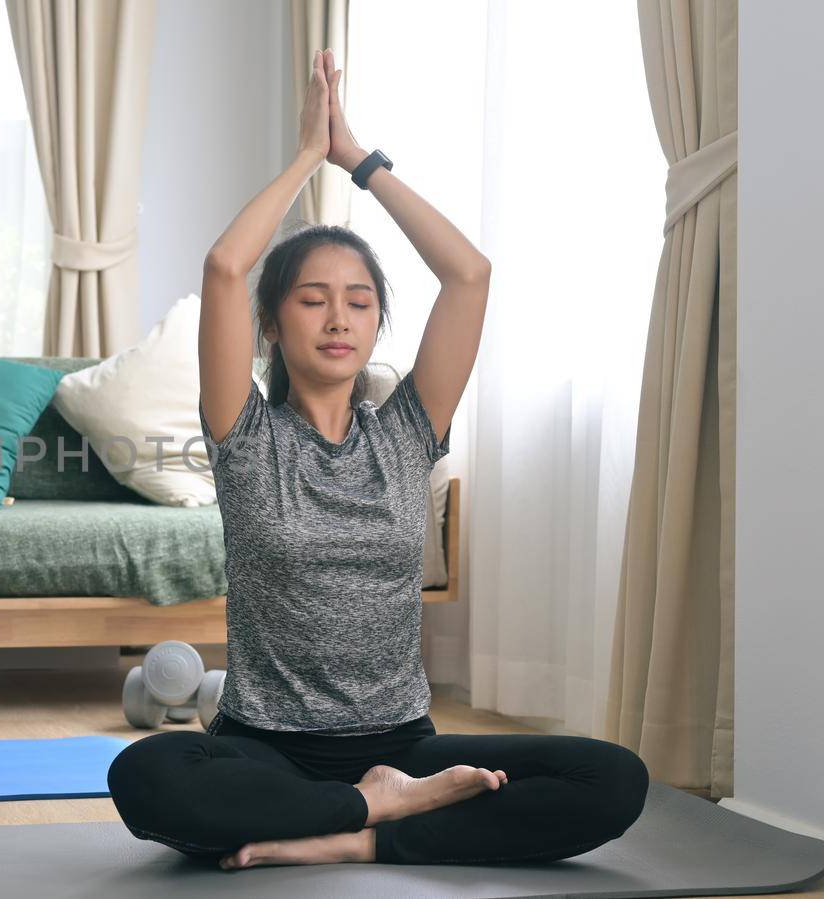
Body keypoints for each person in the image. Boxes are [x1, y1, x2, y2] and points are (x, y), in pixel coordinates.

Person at [106, 48, 648, 869]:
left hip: (403, 743)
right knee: (145, 774)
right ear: (273, 327)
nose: (338, 317)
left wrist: (358, 160)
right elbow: (224, 267)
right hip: (267, 747)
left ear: (374, 326)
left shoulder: (404, 433)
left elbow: (469, 274)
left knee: (612, 778)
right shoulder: (248, 440)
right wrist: (304, 156)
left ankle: (352, 835)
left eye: (359, 301)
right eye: (311, 298)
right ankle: (376, 814)